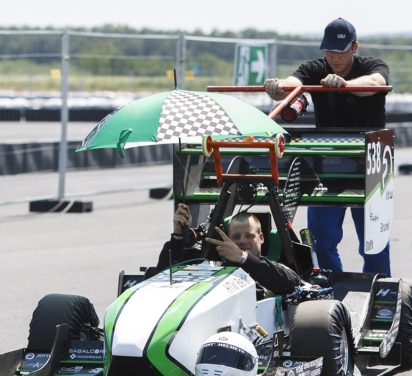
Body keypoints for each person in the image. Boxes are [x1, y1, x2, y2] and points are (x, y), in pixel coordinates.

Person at [264, 17, 391, 276]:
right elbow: (293, 84)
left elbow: (377, 83)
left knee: (374, 242)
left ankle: (378, 291)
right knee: (321, 237)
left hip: (370, 162)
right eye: (329, 51)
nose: (334, 57)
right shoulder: (316, 68)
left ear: (355, 47)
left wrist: (345, 85)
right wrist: (278, 87)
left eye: (340, 51)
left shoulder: (371, 66)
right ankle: (332, 286)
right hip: (327, 162)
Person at [157, 204, 303, 298]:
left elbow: (293, 283)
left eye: (249, 236)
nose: (242, 241)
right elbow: (164, 276)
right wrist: (177, 237)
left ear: (261, 238)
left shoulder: (274, 269)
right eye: (236, 237)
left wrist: (243, 258)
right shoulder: (213, 267)